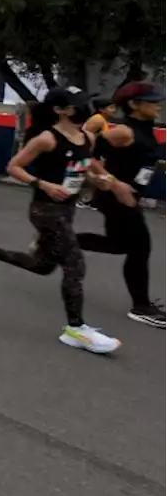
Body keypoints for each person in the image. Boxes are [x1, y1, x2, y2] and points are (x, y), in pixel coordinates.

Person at [0, 87, 122, 353]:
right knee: (75, 264)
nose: (82, 107)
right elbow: (14, 166)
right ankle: (75, 328)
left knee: (41, 266)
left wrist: (97, 180)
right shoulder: (47, 138)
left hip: (67, 208)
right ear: (60, 110)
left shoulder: (87, 137)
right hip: (45, 210)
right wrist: (42, 184)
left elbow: (80, 170)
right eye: (76, 103)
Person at [77, 83, 167, 329]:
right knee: (140, 248)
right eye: (152, 100)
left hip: (129, 197)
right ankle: (141, 306)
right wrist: (116, 185)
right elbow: (85, 153)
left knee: (119, 245)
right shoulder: (125, 132)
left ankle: (58, 238)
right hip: (116, 198)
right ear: (134, 105)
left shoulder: (146, 130)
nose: (158, 104)